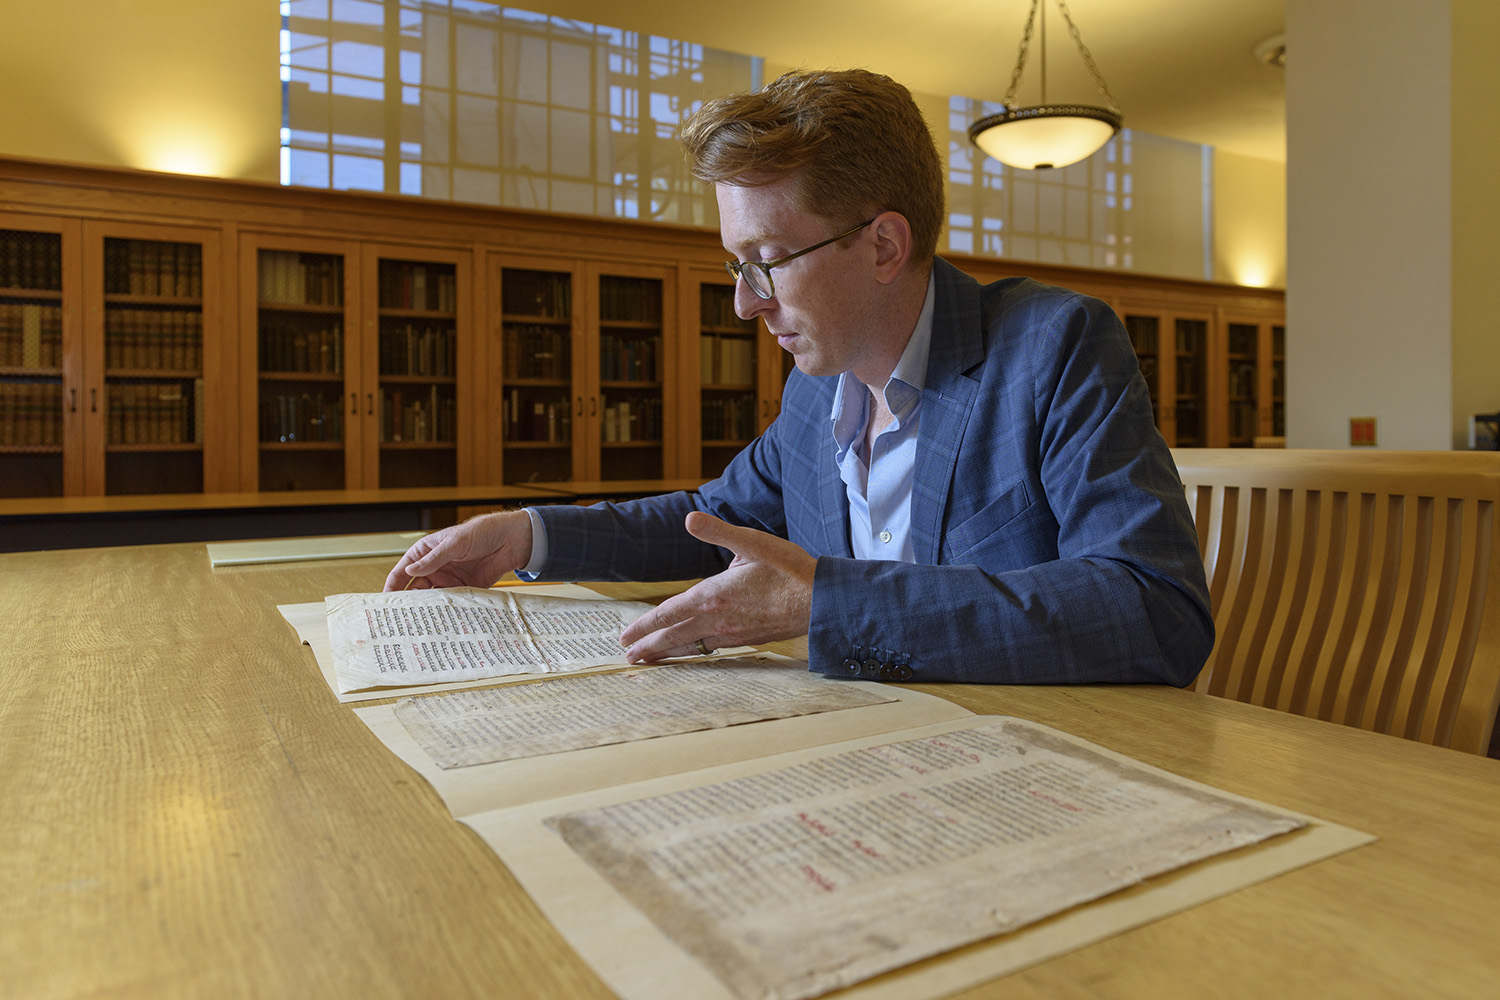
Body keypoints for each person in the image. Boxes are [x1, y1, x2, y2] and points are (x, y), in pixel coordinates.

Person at [384, 68, 1214, 686]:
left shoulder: (1053, 346)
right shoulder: (818, 390)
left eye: (768, 263)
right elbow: (711, 521)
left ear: (884, 246)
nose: (746, 304)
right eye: (737, 266)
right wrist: (527, 536)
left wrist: (826, 605)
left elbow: (1155, 610)